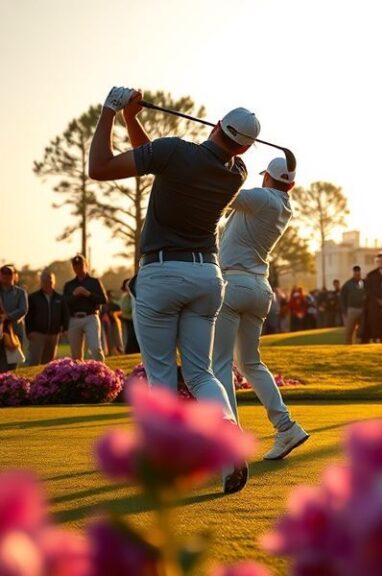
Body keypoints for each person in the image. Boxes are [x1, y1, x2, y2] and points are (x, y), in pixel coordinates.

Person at [88, 86, 259, 493]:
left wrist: (110, 111)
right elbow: (159, 163)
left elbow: (100, 167)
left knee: (162, 372)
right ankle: (226, 434)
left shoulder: (173, 152)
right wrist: (133, 120)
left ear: (217, 125)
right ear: (245, 149)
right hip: (207, 278)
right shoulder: (236, 173)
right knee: (200, 373)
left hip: (163, 273)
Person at [213, 157, 309, 462]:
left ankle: (230, 439)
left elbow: (223, 191)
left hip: (234, 285)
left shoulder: (261, 196)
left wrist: (225, 160)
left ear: (268, 177)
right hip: (258, 288)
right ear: (290, 185)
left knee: (220, 365)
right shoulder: (284, 205)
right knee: (250, 363)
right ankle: (286, 427)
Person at [63, 255, 107, 362]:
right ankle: (79, 376)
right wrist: (75, 295)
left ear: (86, 265)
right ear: (73, 267)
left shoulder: (94, 281)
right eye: (76, 265)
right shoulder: (69, 285)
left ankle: (102, 373)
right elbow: (65, 303)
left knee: (95, 348)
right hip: (74, 319)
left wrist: (87, 294)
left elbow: (104, 300)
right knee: (76, 355)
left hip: (91, 317)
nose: (78, 267)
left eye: (81, 264)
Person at [25, 270, 68, 366]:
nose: (47, 283)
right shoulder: (33, 297)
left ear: (54, 282)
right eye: (44, 281)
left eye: (50, 281)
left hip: (53, 335)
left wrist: (65, 328)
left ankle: (45, 381)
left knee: (49, 364)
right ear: (41, 282)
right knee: (34, 362)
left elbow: (65, 314)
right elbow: (28, 316)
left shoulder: (60, 298)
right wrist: (29, 331)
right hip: (37, 334)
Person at [0, 265, 28, 372]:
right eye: (3, 273)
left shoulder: (21, 292)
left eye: (9, 273)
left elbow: (23, 309)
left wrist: (8, 316)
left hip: (14, 333)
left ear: (15, 276)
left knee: (12, 366)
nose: (6, 275)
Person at [340, 265, 366, 344]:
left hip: (362, 309)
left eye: (358, 272)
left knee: (362, 330)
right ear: (353, 273)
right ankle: (348, 345)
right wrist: (344, 311)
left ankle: (360, 344)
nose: (357, 274)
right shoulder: (348, 284)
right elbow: (342, 298)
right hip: (351, 309)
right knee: (349, 330)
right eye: (356, 272)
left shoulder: (362, 283)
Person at [120, 278, 140, 354]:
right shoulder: (125, 297)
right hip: (128, 320)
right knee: (130, 337)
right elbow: (124, 308)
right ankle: (130, 352)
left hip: (137, 319)